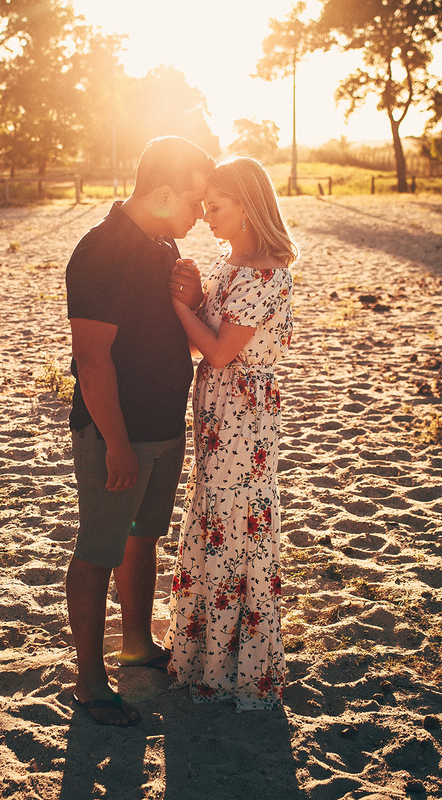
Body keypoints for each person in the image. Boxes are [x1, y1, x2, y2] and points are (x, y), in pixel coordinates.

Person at [63, 136, 214, 727]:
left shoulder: (161, 242)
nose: (200, 216)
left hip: (162, 426)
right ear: (164, 192)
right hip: (116, 435)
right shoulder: (100, 252)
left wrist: (192, 296)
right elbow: (92, 359)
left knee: (141, 538)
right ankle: (91, 681)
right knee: (98, 550)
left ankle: (135, 646)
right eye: (195, 203)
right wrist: (118, 444)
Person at [163, 155, 296, 712]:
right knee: (215, 517)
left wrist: (177, 307)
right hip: (221, 412)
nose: (206, 216)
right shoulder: (230, 266)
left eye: (216, 207)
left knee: (233, 524)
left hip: (243, 416)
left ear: (246, 206)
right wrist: (195, 300)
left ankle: (231, 667)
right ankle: (203, 658)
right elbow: (210, 340)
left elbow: (217, 351)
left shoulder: (266, 271)